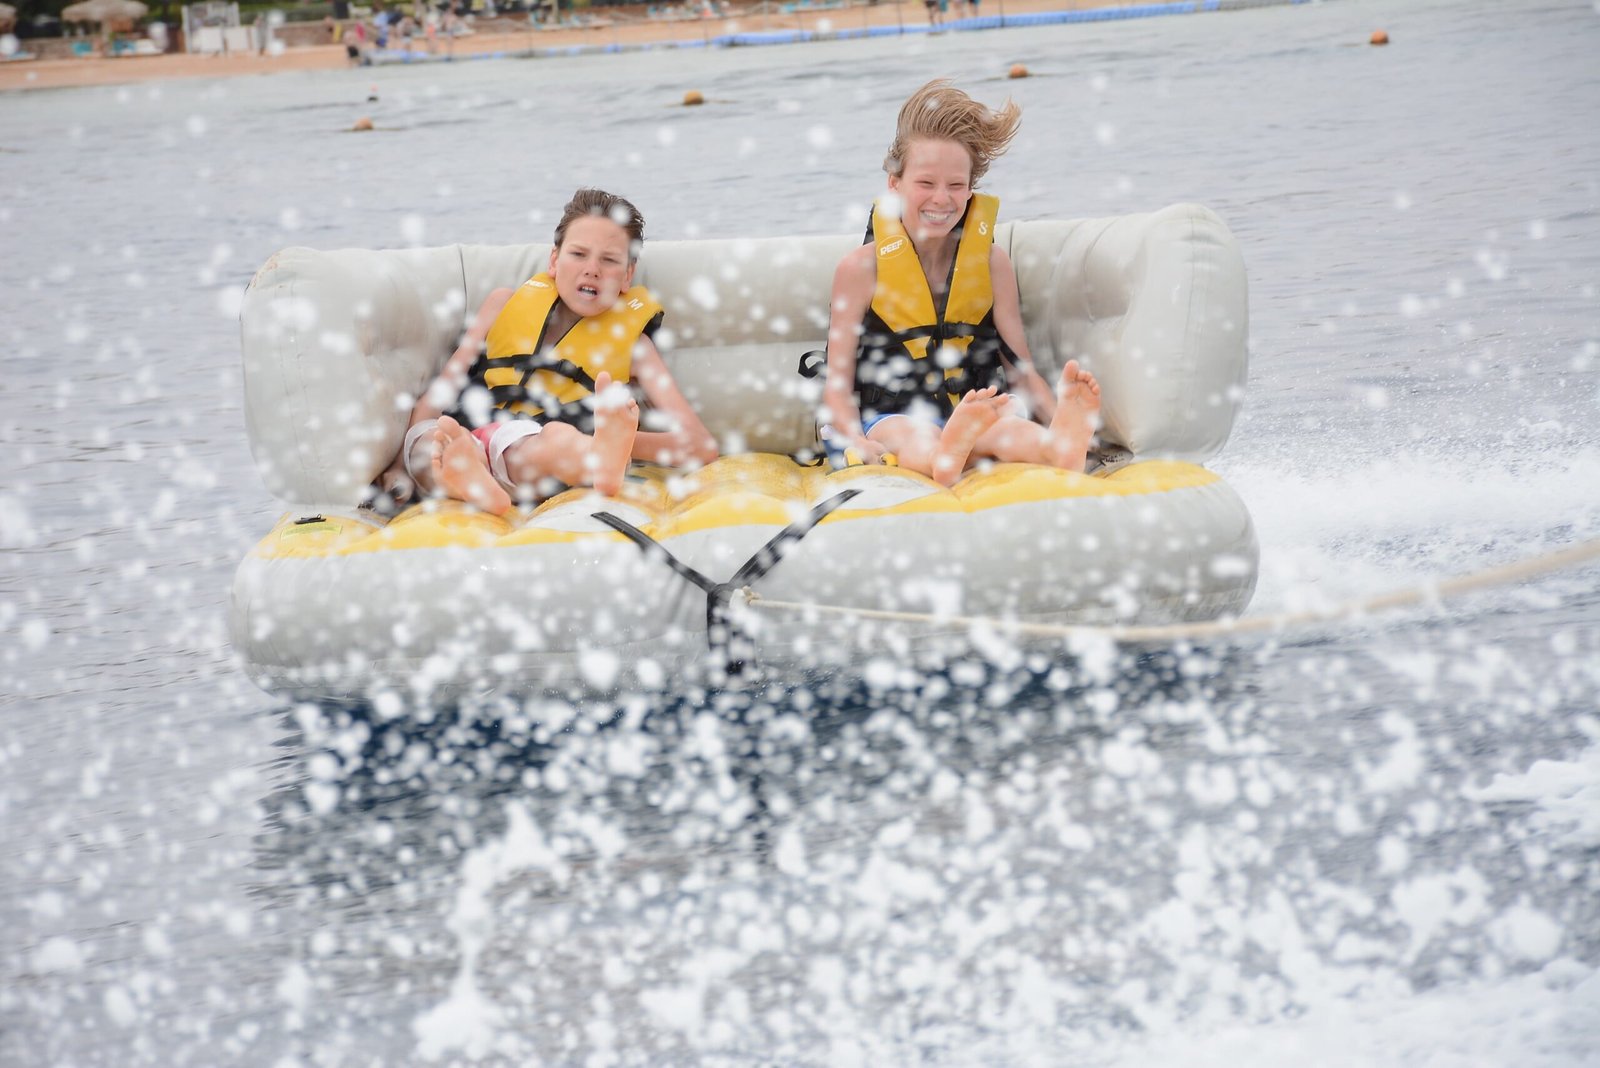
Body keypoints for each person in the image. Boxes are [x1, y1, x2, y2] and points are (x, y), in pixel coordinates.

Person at [821, 79, 1102, 487]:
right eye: (925, 184)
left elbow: (1020, 370)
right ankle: (943, 455)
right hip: (889, 419)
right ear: (894, 183)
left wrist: (1055, 411)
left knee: (1009, 428)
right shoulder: (860, 270)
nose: (941, 199)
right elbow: (838, 384)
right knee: (912, 435)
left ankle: (1056, 447)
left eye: (956, 185)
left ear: (971, 191)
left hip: (975, 410)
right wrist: (855, 440)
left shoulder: (991, 264)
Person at [379, 188, 718, 516]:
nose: (592, 269)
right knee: (432, 440)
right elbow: (441, 392)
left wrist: (616, 440)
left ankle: (598, 459)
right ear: (554, 260)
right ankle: (467, 478)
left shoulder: (635, 348)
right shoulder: (503, 304)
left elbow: (701, 445)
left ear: (627, 276)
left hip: (533, 453)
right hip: (465, 434)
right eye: (579, 254)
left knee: (558, 442)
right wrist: (398, 467)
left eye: (610, 260)